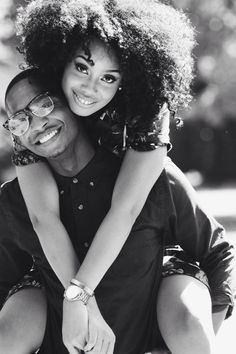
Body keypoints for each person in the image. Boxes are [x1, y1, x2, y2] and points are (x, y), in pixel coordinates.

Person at [0, 68, 235, 354]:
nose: (36, 124)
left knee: (188, 311)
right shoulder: (15, 201)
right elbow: (4, 279)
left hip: (149, 329)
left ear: (73, 100)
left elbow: (217, 254)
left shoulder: (147, 176)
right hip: (66, 339)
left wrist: (200, 339)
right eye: (20, 120)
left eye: (43, 104)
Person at [13, 0, 189, 306]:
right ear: (61, 63)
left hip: (148, 256)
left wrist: (79, 295)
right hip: (68, 266)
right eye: (82, 67)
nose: (89, 89)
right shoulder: (34, 115)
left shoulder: (145, 111)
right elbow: (43, 218)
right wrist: (77, 300)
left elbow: (126, 209)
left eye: (109, 77)